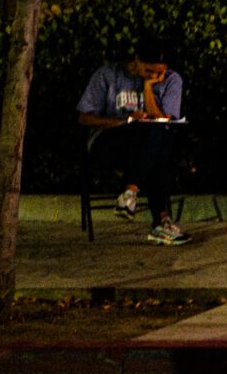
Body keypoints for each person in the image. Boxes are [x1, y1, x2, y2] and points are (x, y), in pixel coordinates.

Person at [76, 43, 189, 246]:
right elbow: (84, 118)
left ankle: (129, 194)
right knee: (157, 143)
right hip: (109, 140)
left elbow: (162, 120)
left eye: (159, 72)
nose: (154, 74)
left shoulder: (172, 80)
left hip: (147, 145)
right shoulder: (108, 75)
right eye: (148, 70)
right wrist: (125, 121)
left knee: (157, 133)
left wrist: (148, 86)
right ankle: (160, 221)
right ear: (136, 60)